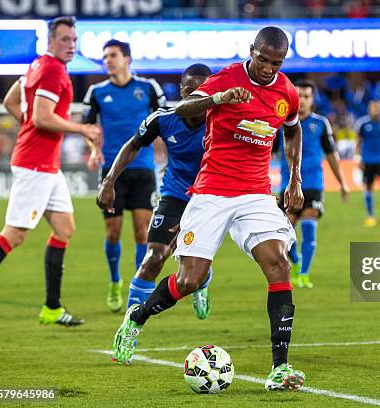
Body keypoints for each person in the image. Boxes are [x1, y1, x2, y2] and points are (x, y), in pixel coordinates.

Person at [111, 26, 307, 391]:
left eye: (275, 63)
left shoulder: (287, 91)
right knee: (190, 280)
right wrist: (218, 100)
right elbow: (182, 107)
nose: (267, 68)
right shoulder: (226, 78)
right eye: (262, 59)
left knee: (278, 263)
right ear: (252, 51)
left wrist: (293, 178)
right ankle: (136, 318)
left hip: (255, 193)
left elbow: (293, 130)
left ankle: (280, 367)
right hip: (212, 191)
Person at [0, 16, 101, 326]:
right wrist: (83, 129)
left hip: (46, 165)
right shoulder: (52, 70)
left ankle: (52, 308)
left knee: (64, 228)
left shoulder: (39, 64)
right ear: (50, 41)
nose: (71, 45)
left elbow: (13, 100)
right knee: (14, 235)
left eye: (74, 40)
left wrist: (29, 124)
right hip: (35, 163)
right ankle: (51, 307)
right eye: (64, 39)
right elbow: (41, 117)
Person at [97, 64, 214, 319]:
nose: (196, 97)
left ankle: (203, 283)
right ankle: (130, 326)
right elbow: (133, 145)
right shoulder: (163, 119)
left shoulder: (222, 122)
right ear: (182, 91)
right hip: (175, 194)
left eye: (203, 91)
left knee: (192, 268)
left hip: (210, 199)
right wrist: (109, 181)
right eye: (191, 91)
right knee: (155, 256)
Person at [82, 39, 166, 312]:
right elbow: (88, 128)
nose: (108, 60)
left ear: (127, 58)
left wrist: (166, 157)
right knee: (113, 232)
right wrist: (94, 150)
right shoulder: (96, 92)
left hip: (142, 168)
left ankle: (136, 284)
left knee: (143, 231)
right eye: (105, 56)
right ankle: (115, 281)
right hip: (112, 173)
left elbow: (164, 122)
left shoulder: (148, 88)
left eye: (113, 55)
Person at [275, 79, 349, 288]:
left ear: (313, 99)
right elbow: (265, 153)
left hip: (313, 184)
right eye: (299, 96)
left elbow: (331, 154)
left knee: (308, 226)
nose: (303, 100)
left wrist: (342, 182)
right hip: (288, 186)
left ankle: (304, 274)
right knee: (283, 231)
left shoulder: (321, 123)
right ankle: (297, 262)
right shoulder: (280, 124)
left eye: (307, 96)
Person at [354, 100, 380, 227]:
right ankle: (370, 217)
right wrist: (357, 157)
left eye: (378, 108)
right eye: (374, 108)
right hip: (367, 160)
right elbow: (358, 142)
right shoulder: (363, 124)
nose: (376, 110)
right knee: (368, 187)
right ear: (369, 109)